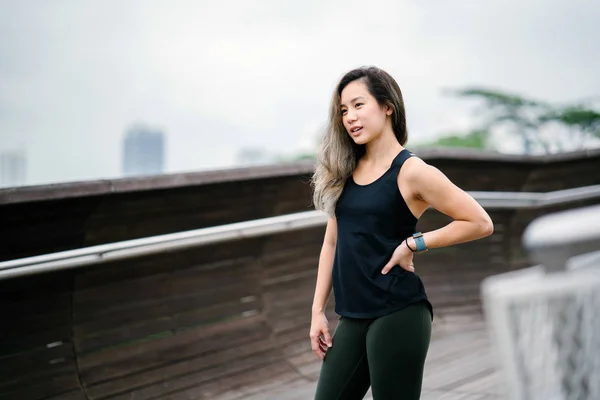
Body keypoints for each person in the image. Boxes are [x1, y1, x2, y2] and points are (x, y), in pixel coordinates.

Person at [309, 66, 494, 400]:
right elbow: (332, 242)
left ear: (387, 106)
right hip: (352, 314)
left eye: (358, 105)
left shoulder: (412, 172)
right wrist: (317, 311)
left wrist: (414, 243)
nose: (350, 117)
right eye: (343, 110)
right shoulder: (345, 171)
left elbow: (479, 222)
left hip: (398, 311)